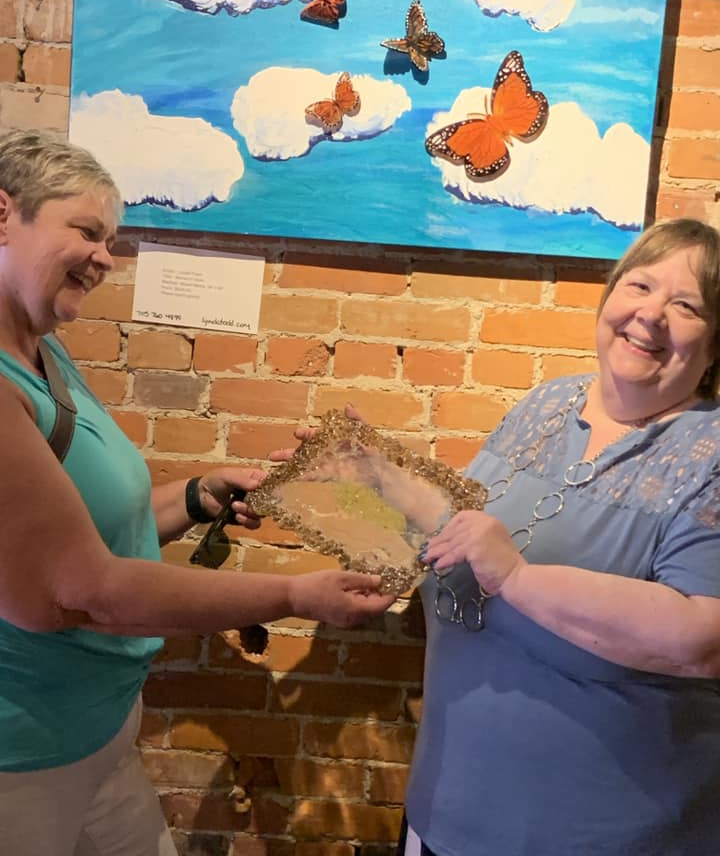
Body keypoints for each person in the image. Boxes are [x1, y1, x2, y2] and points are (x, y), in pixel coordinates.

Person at [0, 128, 394, 856]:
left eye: (110, 239)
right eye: (85, 230)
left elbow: (85, 530)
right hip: (20, 763)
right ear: (4, 214)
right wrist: (295, 597)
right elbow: (87, 588)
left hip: (103, 731)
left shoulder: (43, 351)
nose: (104, 258)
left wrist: (197, 496)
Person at [397, 217, 720, 855]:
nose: (650, 314)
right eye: (639, 286)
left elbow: (700, 639)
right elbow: (459, 528)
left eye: (685, 305)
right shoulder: (546, 404)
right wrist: (366, 475)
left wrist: (517, 578)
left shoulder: (712, 451)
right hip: (447, 814)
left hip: (607, 837)